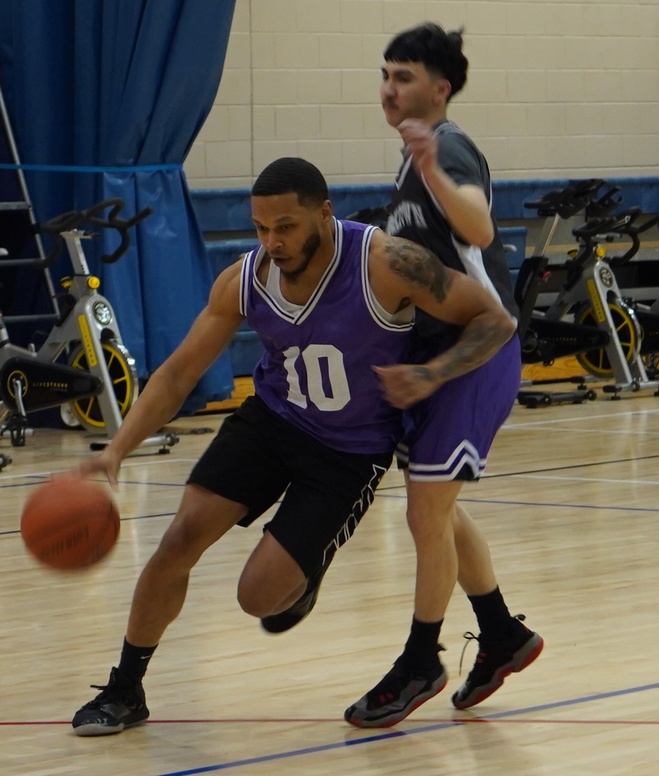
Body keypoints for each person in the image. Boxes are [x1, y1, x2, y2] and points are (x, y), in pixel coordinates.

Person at [69, 156, 516, 736]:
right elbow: (180, 373)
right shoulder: (246, 278)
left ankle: (304, 570)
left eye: (285, 227)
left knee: (259, 598)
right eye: (260, 228)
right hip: (271, 421)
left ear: (324, 214)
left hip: (348, 453)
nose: (271, 242)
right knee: (180, 537)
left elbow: (493, 321)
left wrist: (431, 375)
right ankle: (126, 687)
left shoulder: (386, 263)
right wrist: (116, 450)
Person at [343, 23, 543, 729]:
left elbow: (481, 228)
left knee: (424, 511)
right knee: (440, 510)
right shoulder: (412, 160)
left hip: (477, 352)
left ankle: (420, 660)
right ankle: (501, 635)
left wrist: (431, 169)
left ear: (441, 87)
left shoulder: (448, 147)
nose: (389, 88)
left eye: (403, 76)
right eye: (385, 74)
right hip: (437, 362)